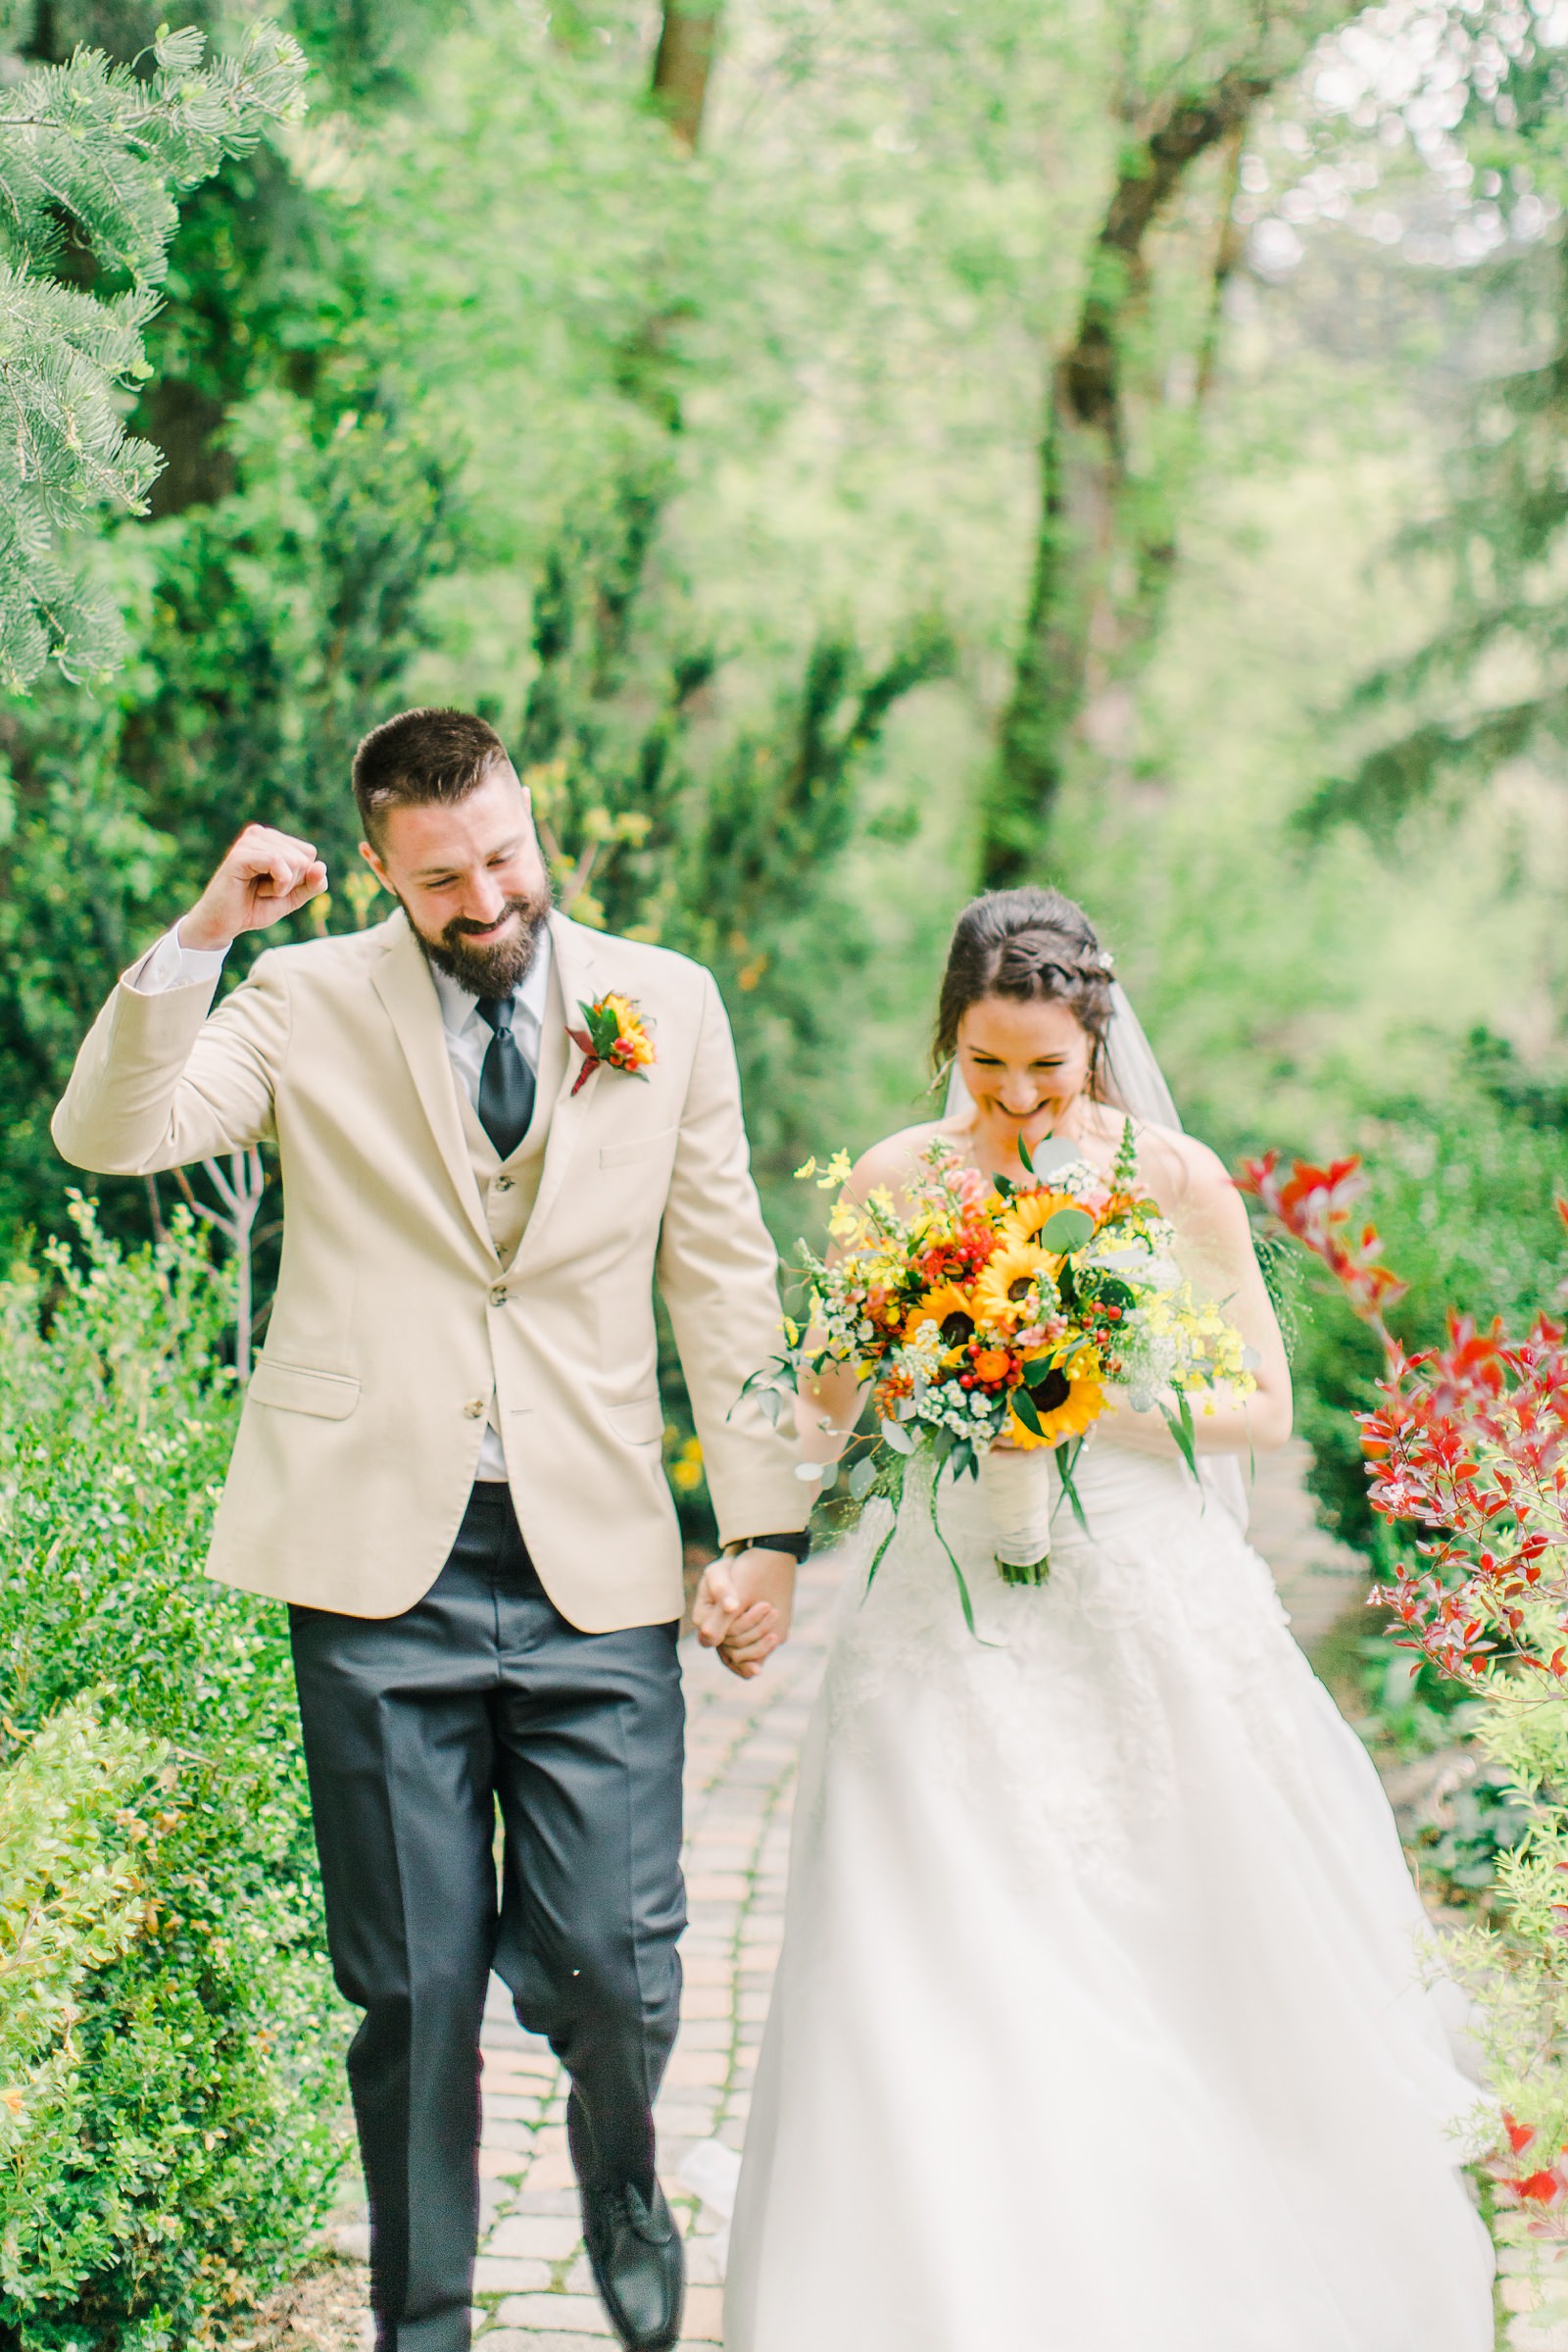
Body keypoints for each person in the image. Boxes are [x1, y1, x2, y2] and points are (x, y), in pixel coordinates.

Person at [51, 708, 809, 2352]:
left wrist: (765, 1529)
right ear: (384, 872)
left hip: (594, 1555)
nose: (489, 900)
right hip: (372, 1558)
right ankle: (426, 2320)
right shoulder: (302, 999)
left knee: (614, 1965)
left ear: (532, 823)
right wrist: (207, 933)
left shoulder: (663, 1003)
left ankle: (620, 2180)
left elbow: (726, 1277)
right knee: (412, 1987)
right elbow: (111, 1136)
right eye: (446, 879)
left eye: (507, 859)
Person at [722, 885, 1494, 2351]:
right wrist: (895, 1348)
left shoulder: (1178, 1182)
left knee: (1168, 1946)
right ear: (949, 1037)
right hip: (940, 1608)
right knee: (922, 1944)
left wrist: (1090, 1395)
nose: (1016, 1103)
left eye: (1047, 1073)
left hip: (1135, 1592)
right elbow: (823, 1399)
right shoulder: (894, 1176)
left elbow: (1262, 1408)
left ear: (1097, 1045)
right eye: (985, 1067)